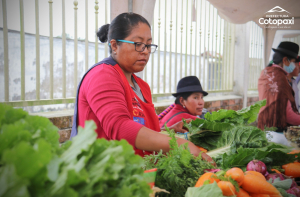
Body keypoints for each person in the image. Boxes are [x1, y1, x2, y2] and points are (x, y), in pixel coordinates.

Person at [70, 12, 214, 164]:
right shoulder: (103, 75)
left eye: (148, 45)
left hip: (135, 173)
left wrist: (168, 131)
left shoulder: (141, 86)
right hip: (101, 176)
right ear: (114, 45)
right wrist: (180, 144)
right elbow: (120, 127)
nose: (145, 51)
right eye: (138, 44)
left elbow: (140, 128)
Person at [257, 41, 300, 131]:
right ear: (285, 60)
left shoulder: (267, 72)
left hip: (266, 124)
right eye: (293, 62)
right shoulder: (279, 78)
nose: (295, 66)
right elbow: (287, 114)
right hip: (276, 127)